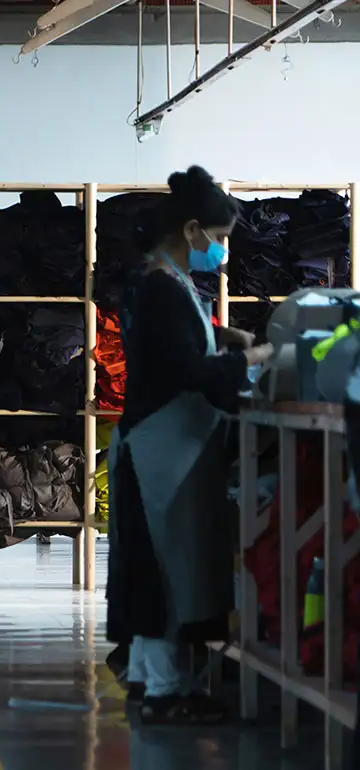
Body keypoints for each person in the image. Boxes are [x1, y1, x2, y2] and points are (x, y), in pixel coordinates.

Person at [104, 166, 274, 725]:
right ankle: (164, 692)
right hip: (161, 454)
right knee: (165, 575)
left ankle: (155, 682)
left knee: (159, 573)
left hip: (158, 450)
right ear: (195, 229)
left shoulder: (163, 280)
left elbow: (175, 344)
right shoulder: (161, 286)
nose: (221, 252)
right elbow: (189, 369)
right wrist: (248, 360)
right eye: (220, 240)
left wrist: (221, 336)